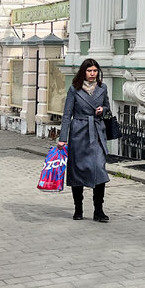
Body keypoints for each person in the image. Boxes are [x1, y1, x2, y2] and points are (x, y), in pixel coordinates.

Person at [56, 58, 112, 222]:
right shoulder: (75, 89)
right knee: (77, 171)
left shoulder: (103, 88)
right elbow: (67, 115)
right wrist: (62, 139)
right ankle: (78, 208)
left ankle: (98, 210)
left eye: (95, 71)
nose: (92, 74)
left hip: (97, 133)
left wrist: (104, 110)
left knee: (100, 171)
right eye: (89, 71)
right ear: (83, 72)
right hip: (79, 133)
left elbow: (109, 110)